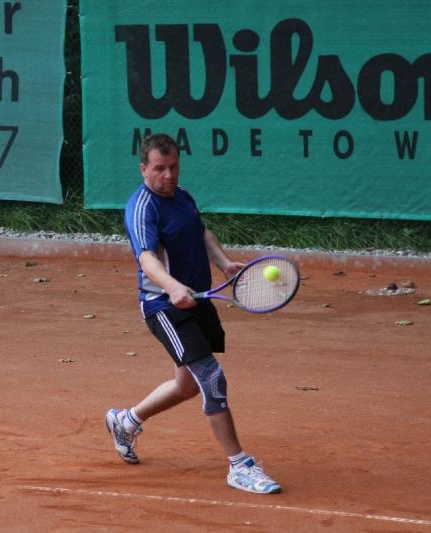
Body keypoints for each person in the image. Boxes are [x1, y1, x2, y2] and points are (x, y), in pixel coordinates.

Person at [105, 133, 281, 494]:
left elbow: (202, 234)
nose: (168, 175)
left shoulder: (182, 196)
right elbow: (146, 258)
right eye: (159, 168)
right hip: (165, 306)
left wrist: (224, 262)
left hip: (198, 299)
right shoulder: (142, 207)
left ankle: (126, 421)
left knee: (187, 384)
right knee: (212, 378)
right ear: (143, 169)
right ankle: (239, 466)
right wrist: (172, 287)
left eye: (173, 167)